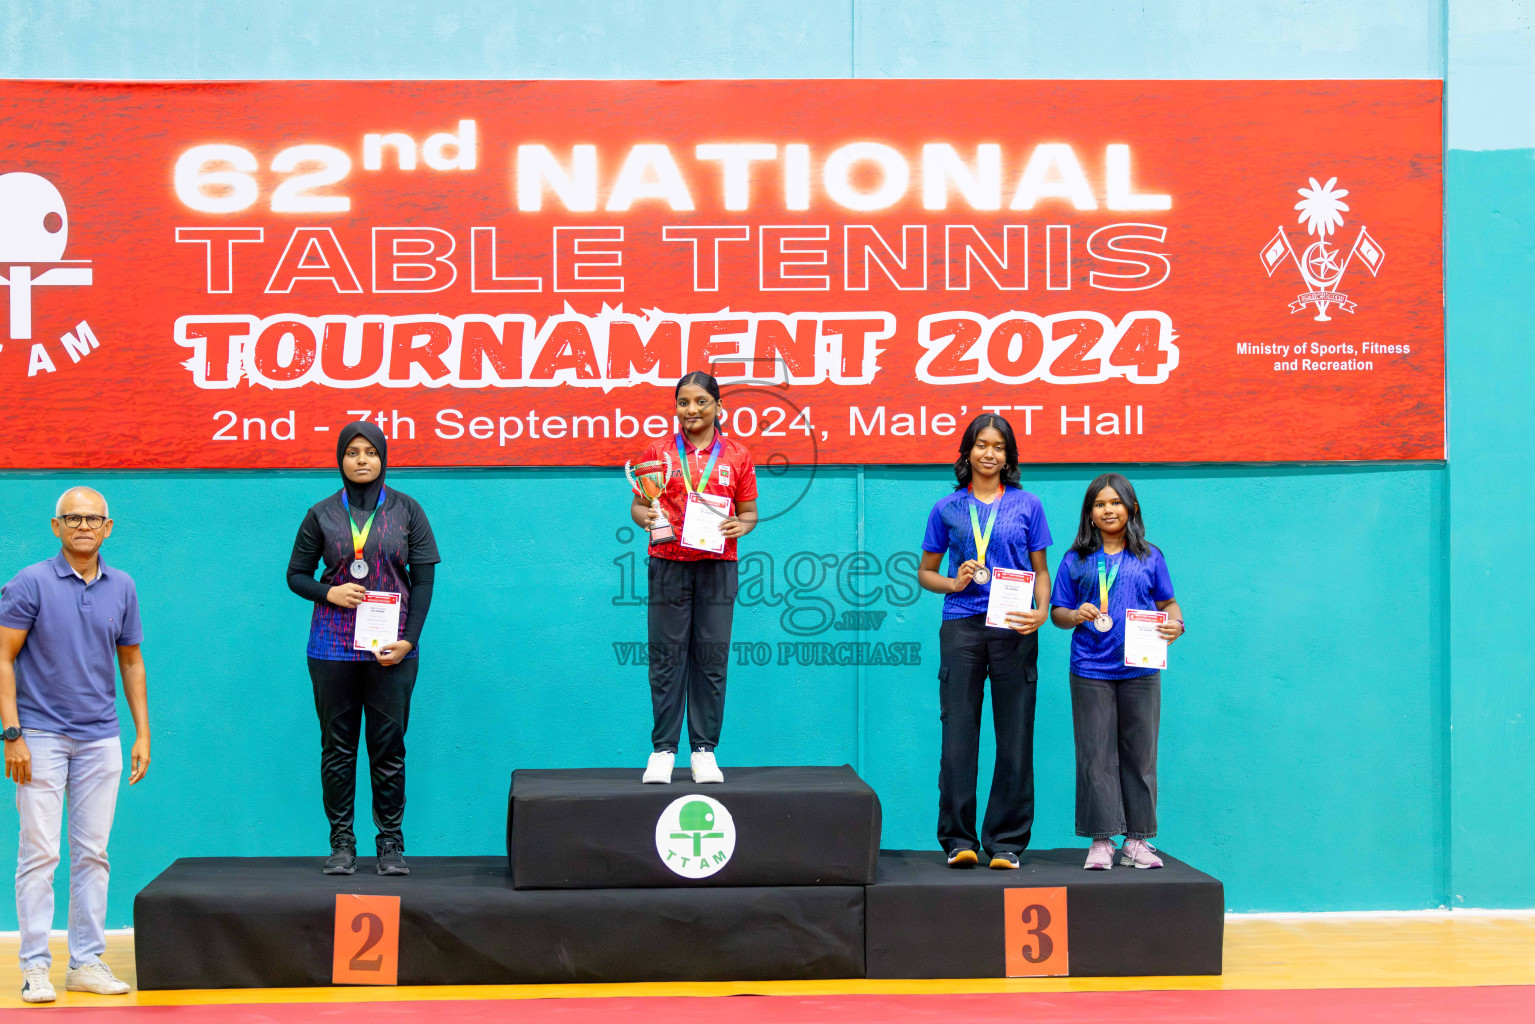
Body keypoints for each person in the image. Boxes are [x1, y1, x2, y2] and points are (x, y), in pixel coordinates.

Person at [0, 487, 151, 1003]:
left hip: (100, 738)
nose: (83, 526)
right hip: (38, 736)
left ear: (108, 527)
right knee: (39, 854)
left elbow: (130, 661)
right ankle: (35, 968)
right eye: (73, 518)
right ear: (56, 526)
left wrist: (141, 732)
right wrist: (12, 734)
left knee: (93, 854)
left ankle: (86, 963)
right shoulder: (30, 582)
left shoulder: (122, 586)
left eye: (93, 519)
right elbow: (2, 658)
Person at [287, 422, 440, 876]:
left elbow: (425, 581)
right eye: (351, 452)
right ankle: (342, 844)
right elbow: (295, 575)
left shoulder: (408, 510)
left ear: (383, 458)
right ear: (340, 459)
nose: (360, 460)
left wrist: (409, 639)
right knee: (337, 749)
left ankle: (390, 844)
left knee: (388, 748)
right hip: (332, 649)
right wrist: (328, 593)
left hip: (392, 650)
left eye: (369, 452)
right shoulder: (321, 514)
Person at [918, 414, 1052, 870]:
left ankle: (1007, 842)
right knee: (959, 736)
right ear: (967, 452)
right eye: (981, 445)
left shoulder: (1028, 505)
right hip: (963, 625)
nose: (989, 453)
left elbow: (1041, 570)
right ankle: (959, 840)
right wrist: (953, 584)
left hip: (1015, 624)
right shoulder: (947, 508)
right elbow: (925, 573)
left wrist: (1039, 612)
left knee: (1015, 735)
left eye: (998, 446)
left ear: (1008, 455)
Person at [1049, 473, 1184, 870]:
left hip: (1140, 669)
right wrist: (1075, 614)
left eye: (1116, 503)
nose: (1108, 510)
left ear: (1132, 509)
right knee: (1095, 756)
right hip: (1090, 667)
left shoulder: (1150, 556)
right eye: (1099, 504)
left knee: (1140, 755)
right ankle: (1102, 840)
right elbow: (1058, 613)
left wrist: (1176, 624)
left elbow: (1170, 604)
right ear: (1089, 514)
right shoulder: (1075, 559)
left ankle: (1137, 841)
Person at [629, 371, 758, 784]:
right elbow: (638, 506)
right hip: (667, 563)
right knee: (666, 658)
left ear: (719, 406)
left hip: (718, 567)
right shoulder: (659, 451)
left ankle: (704, 750)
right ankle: (663, 750)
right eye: (683, 402)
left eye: (701, 401)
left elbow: (749, 512)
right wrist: (645, 516)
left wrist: (743, 525)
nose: (691, 410)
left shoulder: (737, 454)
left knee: (711, 658)